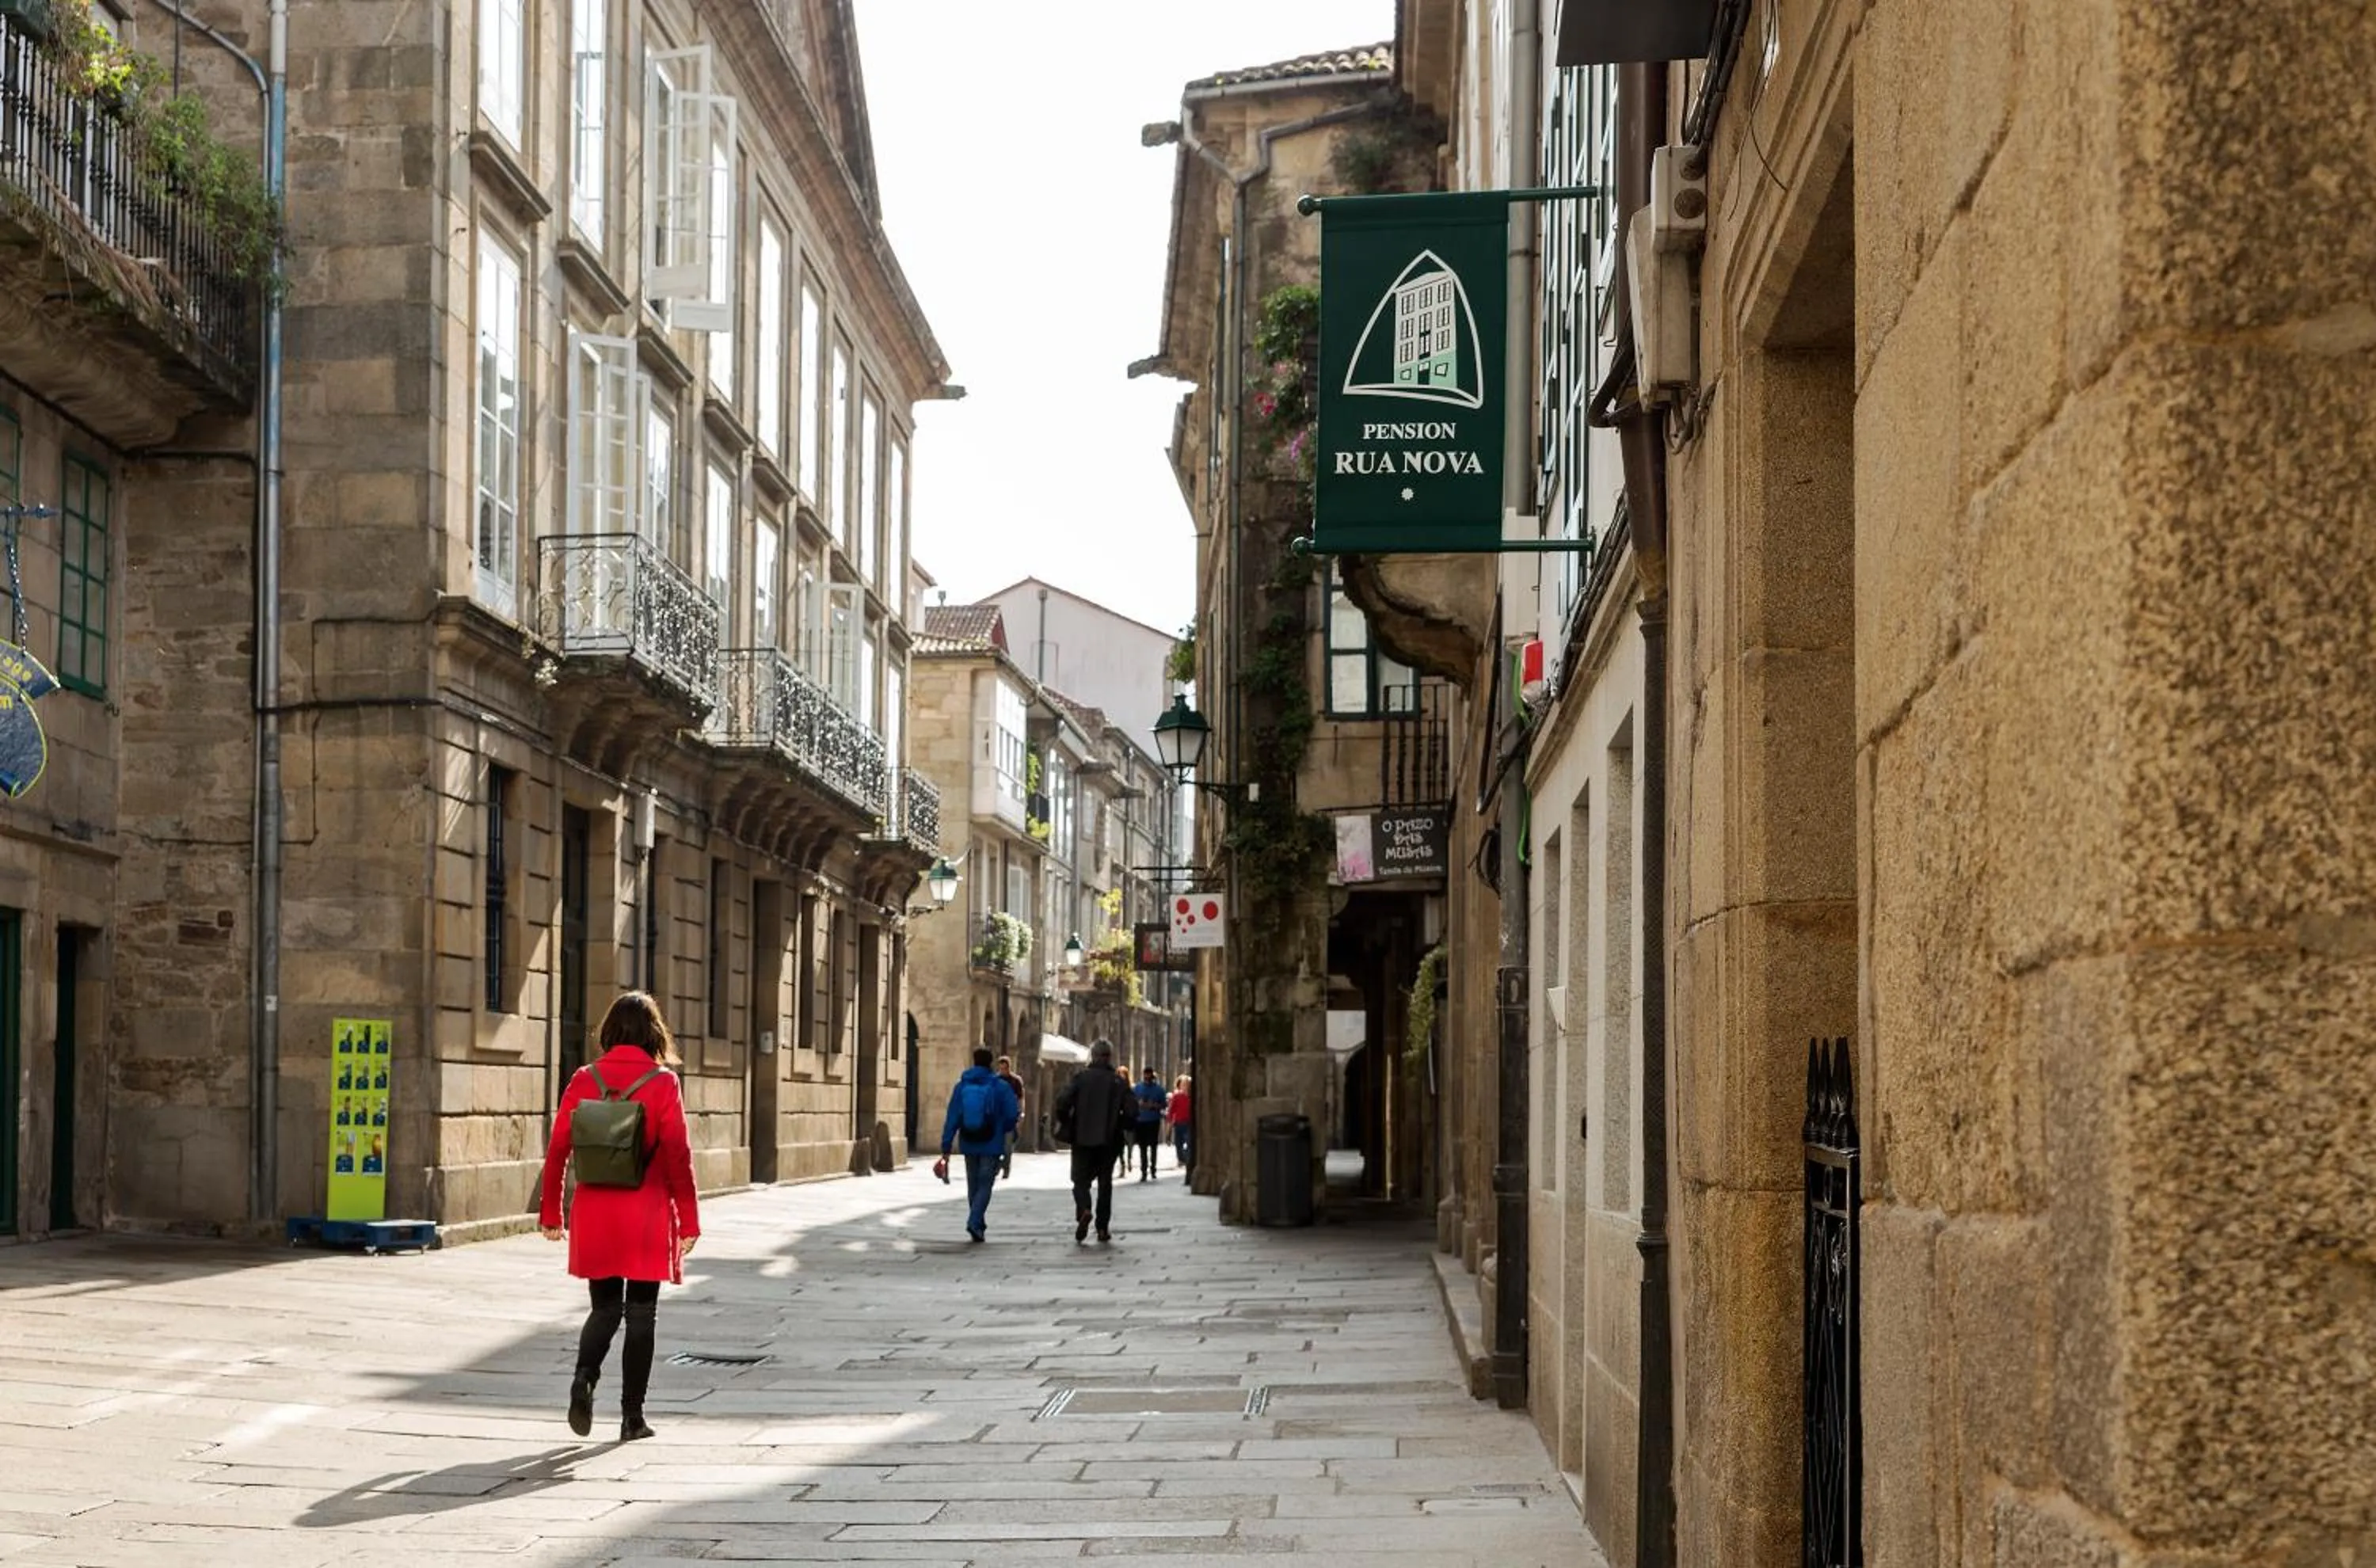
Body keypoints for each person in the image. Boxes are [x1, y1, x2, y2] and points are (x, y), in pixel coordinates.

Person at [539, 990, 700, 1444]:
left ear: (610, 1030)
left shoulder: (584, 1078)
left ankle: (584, 1379)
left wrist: (552, 1212)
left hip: (596, 1211)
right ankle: (632, 1418)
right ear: (655, 1032)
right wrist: (689, 1221)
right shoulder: (664, 1083)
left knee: (605, 1308)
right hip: (646, 1212)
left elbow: (558, 1151)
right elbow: (677, 1156)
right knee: (642, 1316)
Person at [1055, 1039, 1132, 1243]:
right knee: (1105, 1184)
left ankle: (1085, 1208)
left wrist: (1068, 1122)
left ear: (1093, 1056)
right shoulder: (1119, 1082)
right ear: (1109, 1057)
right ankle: (1102, 1228)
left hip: (1082, 1137)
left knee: (1080, 1180)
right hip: (1110, 1140)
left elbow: (1062, 1102)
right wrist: (1120, 1125)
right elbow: (1133, 1111)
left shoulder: (1081, 1078)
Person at [940, 1047, 1021, 1243]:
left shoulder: (961, 1086)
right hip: (991, 1142)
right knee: (985, 1184)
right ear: (990, 1063)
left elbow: (952, 1117)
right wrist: (1003, 1129)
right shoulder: (1000, 1087)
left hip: (969, 1140)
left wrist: (946, 1145)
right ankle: (975, 1221)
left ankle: (978, 1223)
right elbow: (1012, 1114)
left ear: (974, 1061)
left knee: (973, 1184)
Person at [1130, 1068, 1169, 1181]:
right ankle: (1144, 1171)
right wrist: (1139, 1104)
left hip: (1153, 1120)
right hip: (1141, 1120)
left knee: (1153, 1146)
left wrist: (1153, 1105)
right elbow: (1132, 1102)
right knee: (1143, 1147)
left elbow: (1164, 1105)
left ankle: (1153, 1169)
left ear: (1152, 1076)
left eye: (1148, 1075)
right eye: (1145, 1075)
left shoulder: (1159, 1090)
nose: (1147, 1077)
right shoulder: (1137, 1088)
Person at [994, 1054, 1026, 1177]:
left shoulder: (1016, 1081)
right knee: (996, 1146)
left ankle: (1006, 1168)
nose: (1002, 1071)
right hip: (997, 1119)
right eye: (1000, 1068)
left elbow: (1021, 1098)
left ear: (1009, 1068)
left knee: (1008, 1147)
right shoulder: (995, 1080)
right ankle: (997, 1166)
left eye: (1005, 1068)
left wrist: (1021, 1113)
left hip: (1010, 1118)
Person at [1167, 1074, 1193, 1174]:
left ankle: (1187, 1159)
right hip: (1179, 1123)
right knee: (1179, 1143)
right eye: (1183, 1084)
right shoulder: (1177, 1096)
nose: (1185, 1086)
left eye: (1187, 1084)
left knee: (1189, 1142)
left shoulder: (1192, 1097)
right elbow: (1172, 1110)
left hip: (1189, 1123)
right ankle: (1182, 1159)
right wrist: (1169, 1122)